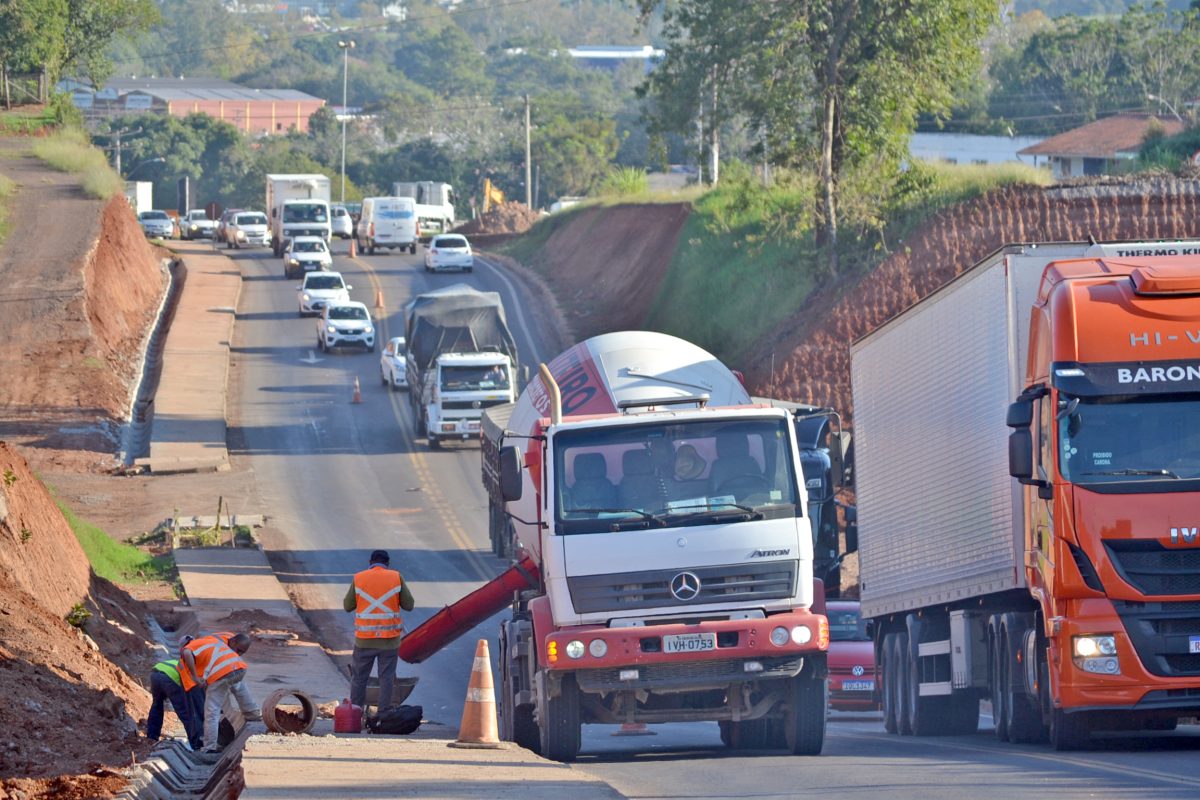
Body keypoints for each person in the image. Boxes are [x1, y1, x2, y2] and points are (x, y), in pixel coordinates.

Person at [344, 550, 414, 714]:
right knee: (386, 678)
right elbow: (409, 605)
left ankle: (355, 713)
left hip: (364, 640)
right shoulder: (396, 577)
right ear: (388, 563)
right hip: (389, 641)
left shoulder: (359, 578)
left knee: (359, 678)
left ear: (370, 562)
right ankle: (383, 715)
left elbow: (348, 606)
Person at [180, 631, 261, 759]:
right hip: (239, 668)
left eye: (241, 652)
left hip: (222, 673)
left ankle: (209, 748)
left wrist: (195, 678)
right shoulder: (216, 641)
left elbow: (186, 652)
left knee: (212, 710)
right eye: (238, 650)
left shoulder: (192, 646)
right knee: (238, 687)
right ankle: (253, 714)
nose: (238, 653)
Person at [146, 657, 203, 750]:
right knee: (185, 712)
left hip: (155, 674)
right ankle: (195, 743)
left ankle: (152, 736)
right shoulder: (193, 674)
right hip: (169, 679)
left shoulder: (180, 664)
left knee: (157, 705)